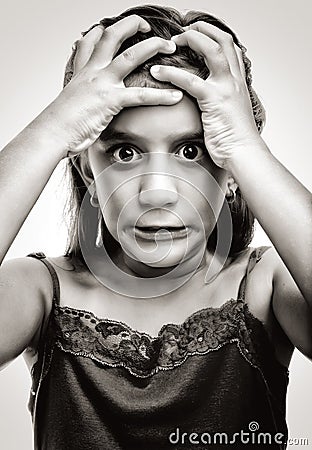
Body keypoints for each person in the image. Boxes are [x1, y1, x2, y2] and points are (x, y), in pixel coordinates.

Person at [0, 4, 311, 450]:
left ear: (233, 175)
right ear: (88, 171)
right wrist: (51, 132)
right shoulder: (38, 291)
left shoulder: (267, 285)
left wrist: (245, 146)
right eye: (124, 152)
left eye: (191, 151)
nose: (158, 192)